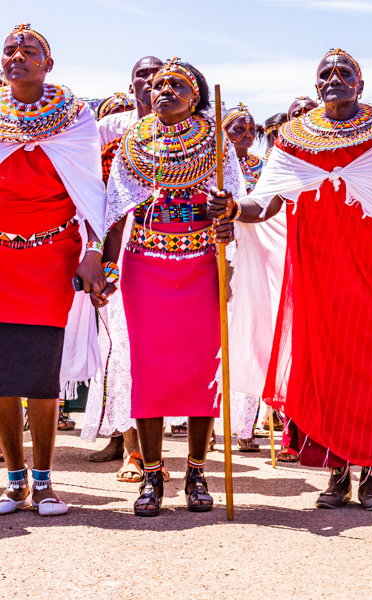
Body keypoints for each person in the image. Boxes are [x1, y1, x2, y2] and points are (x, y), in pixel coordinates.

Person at [212, 48, 372, 512]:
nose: (335, 78)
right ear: (317, 84)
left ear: (360, 85)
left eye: (345, 73)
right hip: (318, 271)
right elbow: (266, 203)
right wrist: (230, 208)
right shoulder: (293, 137)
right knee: (324, 370)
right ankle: (338, 473)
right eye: (326, 73)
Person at [96, 58, 242, 517]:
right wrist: (106, 264)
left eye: (175, 85)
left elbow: (238, 208)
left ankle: (197, 472)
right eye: (158, 85)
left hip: (202, 265)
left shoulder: (217, 142)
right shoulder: (133, 144)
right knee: (150, 370)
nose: (163, 91)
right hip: (146, 267)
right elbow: (118, 211)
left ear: (195, 95)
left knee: (203, 370)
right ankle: (154, 473)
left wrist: (227, 210)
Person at [0, 23, 106, 518]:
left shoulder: (76, 117)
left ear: (48, 63)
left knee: (40, 374)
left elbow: (89, 192)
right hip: (0, 257)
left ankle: (44, 483)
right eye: (9, 51)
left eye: (29, 51)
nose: (17, 56)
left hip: (50, 257)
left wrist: (93, 251)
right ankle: (13, 481)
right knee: (1, 376)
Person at [82, 55, 161, 479]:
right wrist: (97, 254)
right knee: (124, 346)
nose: (149, 82)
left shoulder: (198, 132)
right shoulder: (109, 129)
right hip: (121, 245)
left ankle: (169, 455)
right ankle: (134, 451)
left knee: (165, 349)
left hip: (179, 248)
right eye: (140, 76)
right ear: (131, 85)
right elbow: (90, 190)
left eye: (157, 74)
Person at [222, 102, 265, 453]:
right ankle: (208, 425)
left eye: (252, 129)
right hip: (217, 253)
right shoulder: (213, 165)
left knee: (248, 335)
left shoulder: (264, 169)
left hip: (251, 254)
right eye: (238, 128)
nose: (247, 134)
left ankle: (246, 426)